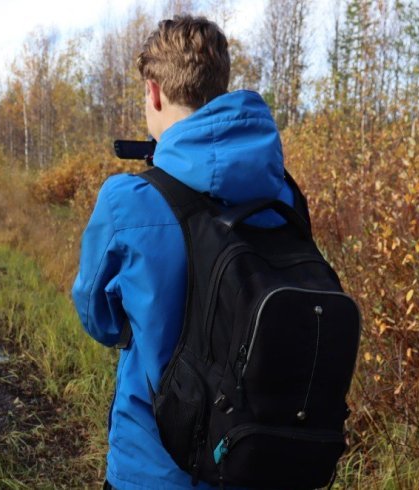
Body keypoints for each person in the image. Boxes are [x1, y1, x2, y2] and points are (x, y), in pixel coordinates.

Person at [72, 15, 294, 490]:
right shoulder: (283, 193)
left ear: (154, 92)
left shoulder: (127, 199)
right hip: (256, 458)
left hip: (152, 465)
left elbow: (98, 319)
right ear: (221, 83)